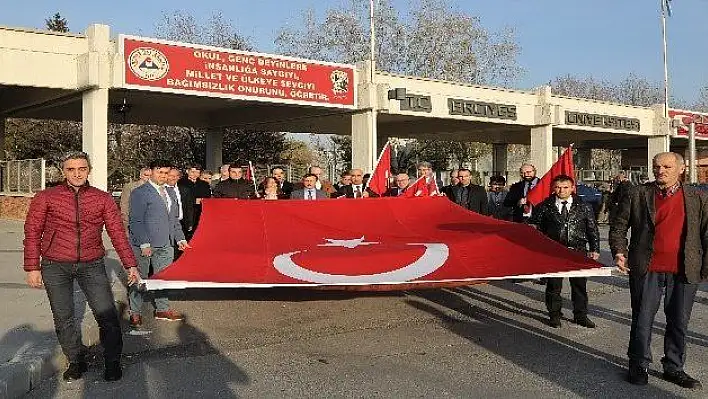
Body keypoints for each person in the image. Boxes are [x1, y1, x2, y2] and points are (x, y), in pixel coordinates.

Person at [23, 151, 139, 382]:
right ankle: (76, 361)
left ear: (89, 170)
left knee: (106, 314)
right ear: (63, 171)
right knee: (64, 317)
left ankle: (113, 361)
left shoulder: (102, 198)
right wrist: (32, 267)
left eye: (82, 169)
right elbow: (32, 232)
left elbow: (117, 233)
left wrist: (130, 264)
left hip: (92, 264)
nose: (77, 174)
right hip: (55, 265)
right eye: (71, 169)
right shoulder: (46, 196)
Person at [610, 152, 708, 389]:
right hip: (647, 267)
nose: (660, 170)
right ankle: (638, 365)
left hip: (684, 270)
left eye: (666, 166)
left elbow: (706, 233)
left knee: (679, 321)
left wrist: (704, 268)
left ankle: (674, 367)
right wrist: (619, 251)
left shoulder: (698, 197)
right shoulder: (638, 193)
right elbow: (619, 225)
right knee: (642, 319)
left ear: (681, 169)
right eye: (656, 166)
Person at [528, 174, 600, 329]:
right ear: (553, 188)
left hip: (578, 251)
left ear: (573, 188)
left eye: (565, 187)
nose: (561, 190)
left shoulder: (584, 206)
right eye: (558, 187)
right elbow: (534, 228)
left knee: (579, 286)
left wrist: (595, 249)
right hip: (553, 252)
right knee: (554, 286)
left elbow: (592, 229)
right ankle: (554, 315)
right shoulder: (544, 206)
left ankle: (580, 315)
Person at [128, 160, 189, 328]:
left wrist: (181, 239)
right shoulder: (140, 193)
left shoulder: (170, 193)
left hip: (166, 244)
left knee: (163, 279)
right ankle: (135, 312)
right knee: (140, 279)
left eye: (166, 173)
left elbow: (174, 220)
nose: (163, 176)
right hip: (145, 245)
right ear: (152, 172)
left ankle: (162, 309)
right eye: (160, 172)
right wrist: (143, 243)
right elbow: (136, 221)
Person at [167, 168, 195, 241]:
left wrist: (190, 223)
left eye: (176, 176)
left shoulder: (185, 190)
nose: (174, 178)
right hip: (167, 225)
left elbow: (189, 208)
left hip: (183, 224)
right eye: (171, 175)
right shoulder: (161, 190)